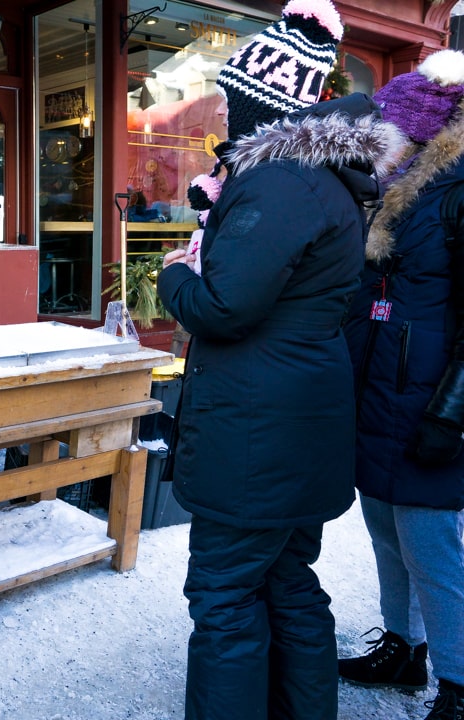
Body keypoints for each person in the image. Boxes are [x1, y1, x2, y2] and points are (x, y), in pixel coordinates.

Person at [154, 1, 405, 717]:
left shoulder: (278, 182)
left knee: (226, 593)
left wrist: (176, 270)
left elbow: (225, 307)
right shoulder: (318, 179)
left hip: (257, 433)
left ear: (259, 107)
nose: (225, 120)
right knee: (289, 579)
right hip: (298, 419)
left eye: (233, 103)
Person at [338, 49, 464, 720]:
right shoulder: (387, 189)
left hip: (431, 399)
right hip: (380, 390)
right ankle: (402, 650)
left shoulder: (458, 187)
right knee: (384, 528)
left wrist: (452, 413)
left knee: (432, 547)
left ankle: (460, 685)